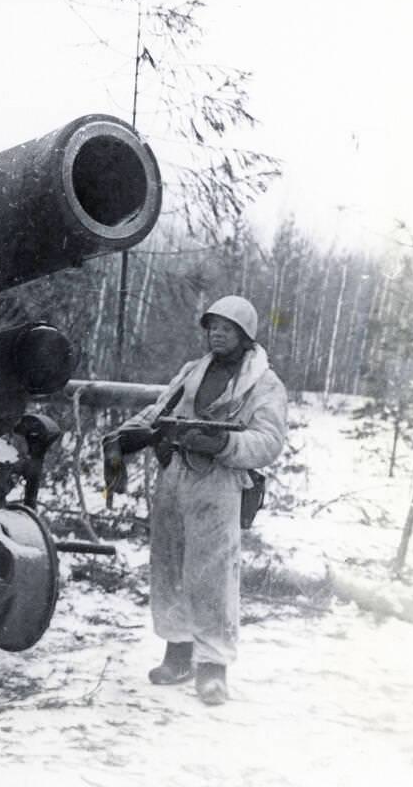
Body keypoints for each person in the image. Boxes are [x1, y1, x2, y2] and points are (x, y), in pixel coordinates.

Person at [104, 295, 287, 706]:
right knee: (169, 566)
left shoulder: (262, 383)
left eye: (226, 328)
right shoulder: (192, 372)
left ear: (245, 335)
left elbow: (269, 441)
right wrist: (128, 436)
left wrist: (222, 441)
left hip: (219, 483)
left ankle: (213, 668)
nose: (217, 334)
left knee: (212, 575)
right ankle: (178, 654)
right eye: (212, 327)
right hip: (175, 477)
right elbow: (158, 412)